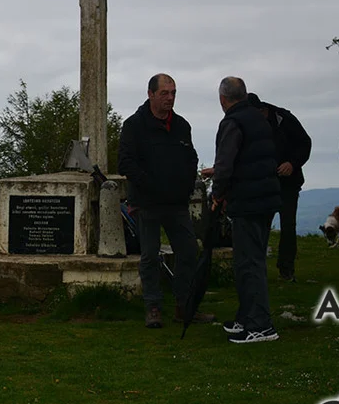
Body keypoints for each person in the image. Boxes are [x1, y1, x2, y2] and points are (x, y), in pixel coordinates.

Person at [117, 73, 208, 329]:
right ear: (151, 94)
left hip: (176, 203)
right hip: (147, 202)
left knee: (188, 250)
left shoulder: (181, 125)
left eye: (173, 93)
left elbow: (191, 158)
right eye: (164, 93)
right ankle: (153, 307)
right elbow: (125, 163)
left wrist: (186, 185)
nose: (170, 98)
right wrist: (150, 185)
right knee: (149, 255)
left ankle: (184, 305)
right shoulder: (134, 125)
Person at [202, 77, 282, 344]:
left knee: (249, 263)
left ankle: (261, 325)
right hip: (266, 197)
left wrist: (217, 195)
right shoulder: (259, 118)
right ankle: (247, 316)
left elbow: (225, 165)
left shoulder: (232, 122)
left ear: (222, 98)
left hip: (248, 201)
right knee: (250, 260)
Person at [246, 93, 312, 283]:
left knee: (288, 225)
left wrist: (292, 163)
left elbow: (305, 143)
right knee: (261, 226)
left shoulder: (284, 119)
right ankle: (257, 268)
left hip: (288, 183)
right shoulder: (249, 124)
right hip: (264, 183)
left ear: (262, 110)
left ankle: (286, 269)